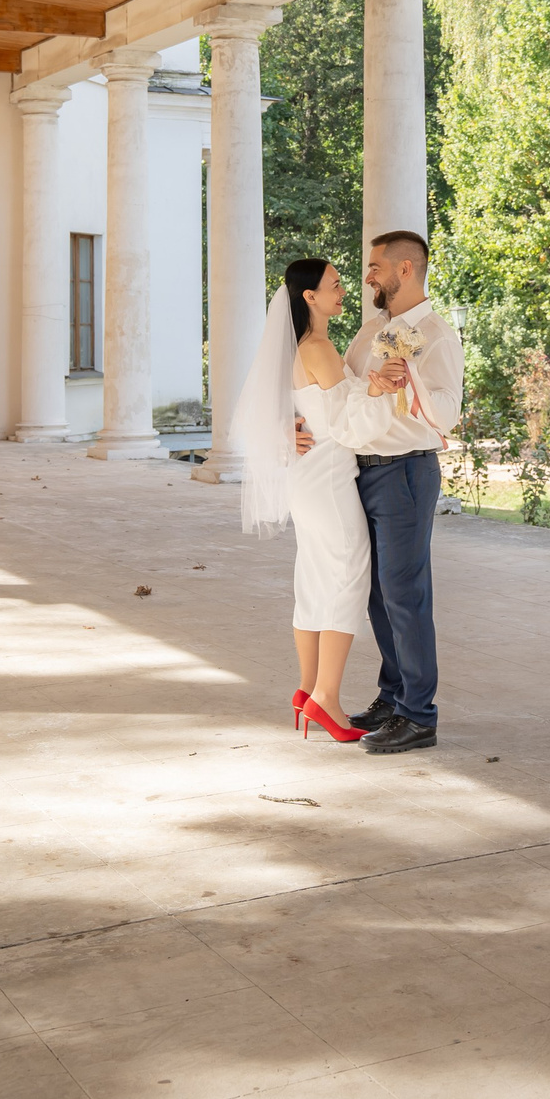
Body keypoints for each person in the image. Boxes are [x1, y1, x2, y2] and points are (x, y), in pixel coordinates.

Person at [233, 259, 390, 742]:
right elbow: (346, 423)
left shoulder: (299, 348)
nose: (344, 291)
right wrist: (382, 390)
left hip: (309, 481)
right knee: (348, 576)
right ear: (309, 297)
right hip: (327, 481)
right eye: (335, 285)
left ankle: (307, 688)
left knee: (316, 580)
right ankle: (327, 698)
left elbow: (302, 409)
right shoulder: (318, 347)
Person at [325, 230, 463, 755]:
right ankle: (393, 696)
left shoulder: (436, 336)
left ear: (405, 270)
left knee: (405, 593)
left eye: (376, 266)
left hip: (406, 472)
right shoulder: (370, 332)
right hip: (361, 471)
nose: (368, 276)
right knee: (378, 594)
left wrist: (410, 381)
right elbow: (345, 395)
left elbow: (448, 413)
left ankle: (419, 716)